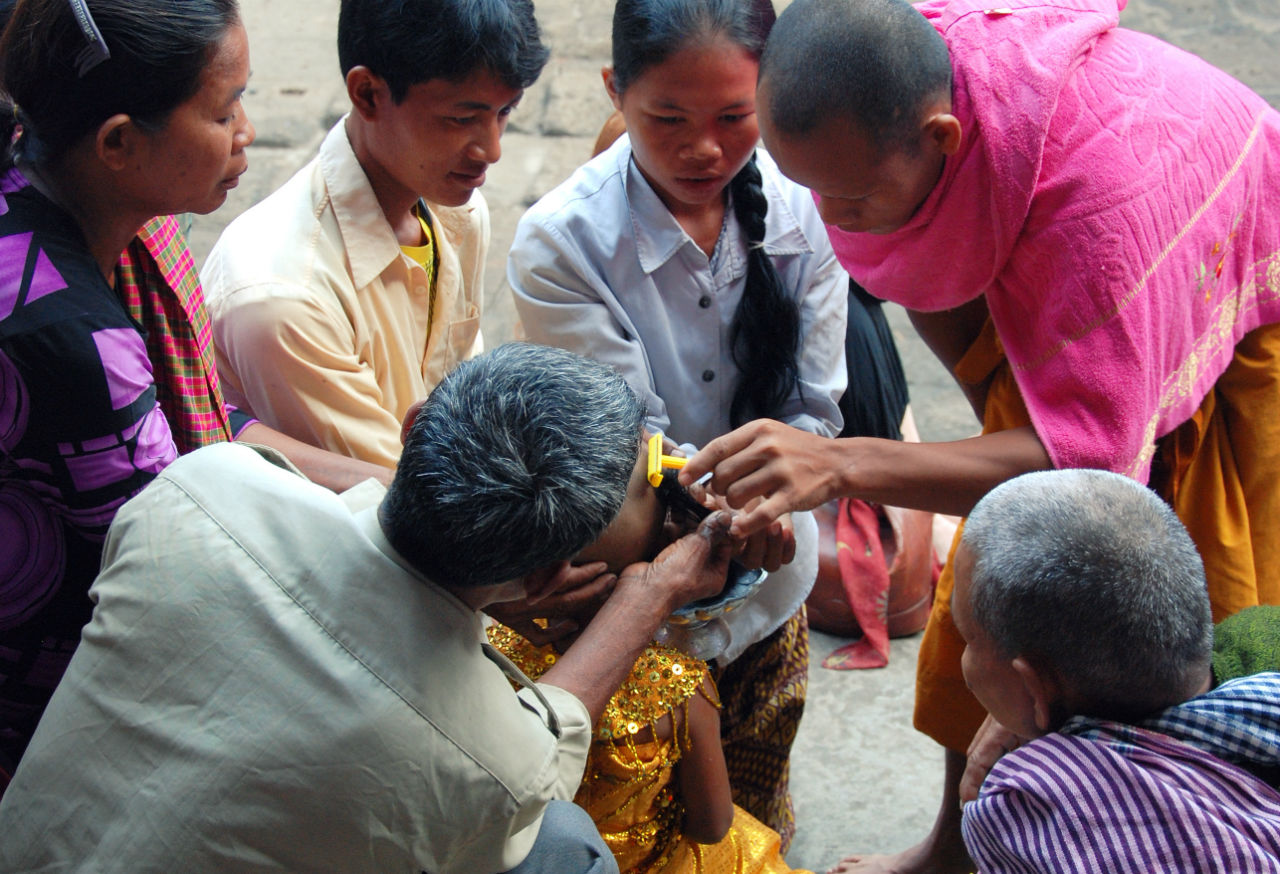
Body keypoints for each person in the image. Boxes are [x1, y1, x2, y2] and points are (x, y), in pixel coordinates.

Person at [677, 0, 1280, 869]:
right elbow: (932, 270)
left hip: (1203, 278)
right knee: (991, 592)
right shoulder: (906, 86)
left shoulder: (1094, 228)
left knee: (1144, 642)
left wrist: (845, 463)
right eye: (810, 186)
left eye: (849, 196)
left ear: (944, 139)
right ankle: (952, 853)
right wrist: (999, 417)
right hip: (1086, 286)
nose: (831, 220)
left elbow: (1084, 466)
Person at [0, 343, 738, 873]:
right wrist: (653, 595)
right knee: (567, 849)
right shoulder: (486, 764)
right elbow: (546, 747)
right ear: (546, 577)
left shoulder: (203, 489)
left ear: (415, 426)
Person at [0, 0, 387, 778]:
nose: (246, 130)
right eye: (224, 108)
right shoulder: (75, 339)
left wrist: (388, 480)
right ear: (117, 142)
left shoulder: (111, 213)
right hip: (50, 708)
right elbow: (188, 574)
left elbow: (205, 428)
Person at [507, 0, 847, 846]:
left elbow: (816, 413)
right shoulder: (562, 243)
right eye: (668, 117)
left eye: (736, 117)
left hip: (776, 577)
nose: (705, 149)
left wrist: (777, 502)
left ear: (768, 94)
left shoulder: (808, 206)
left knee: (762, 781)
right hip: (643, 597)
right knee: (659, 823)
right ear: (615, 91)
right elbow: (635, 448)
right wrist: (753, 507)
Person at [203, 0, 546, 470]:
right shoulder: (284, 297)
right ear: (367, 95)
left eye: (505, 112)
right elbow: (396, 494)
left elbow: (461, 386)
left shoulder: (457, 213)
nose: (492, 148)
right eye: (462, 119)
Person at [953, 469, 1280, 872]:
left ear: (1032, 684)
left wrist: (1037, 714)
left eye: (967, 638)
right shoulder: (1264, 636)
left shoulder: (1029, 810)